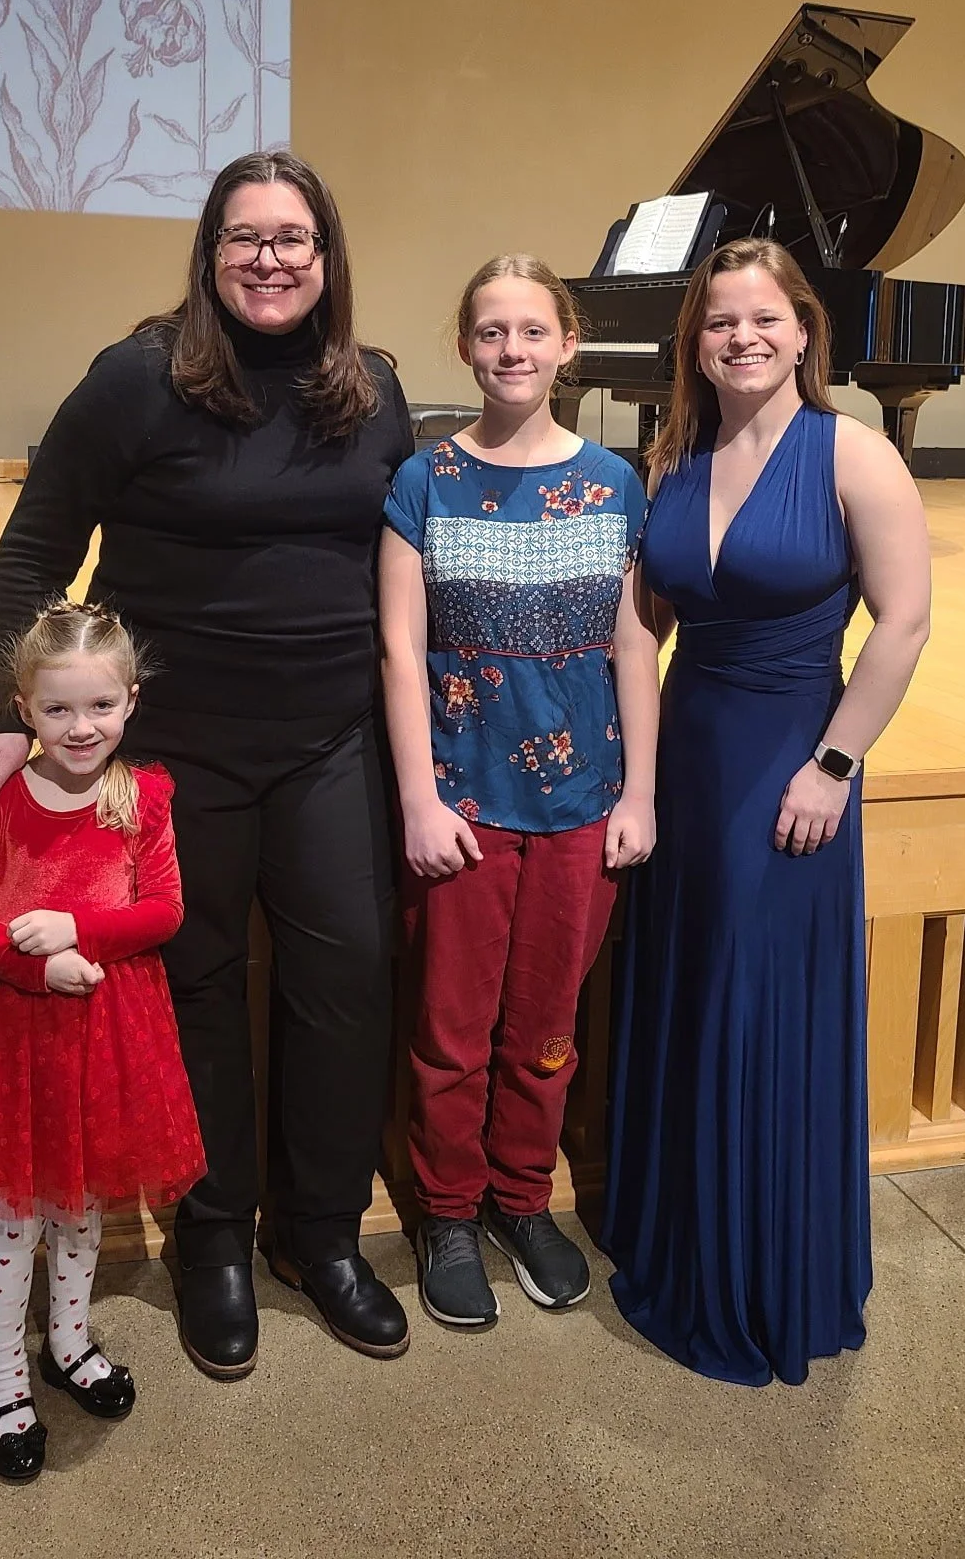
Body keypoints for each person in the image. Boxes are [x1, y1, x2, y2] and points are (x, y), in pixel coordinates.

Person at [0, 150, 414, 1377]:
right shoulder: (136, 380)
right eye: (246, 237)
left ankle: (320, 1236)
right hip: (175, 753)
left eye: (295, 239)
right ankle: (211, 1238)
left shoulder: (369, 388)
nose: (272, 258)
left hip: (332, 738)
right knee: (199, 984)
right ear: (210, 253)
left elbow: (407, 565)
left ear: (329, 259)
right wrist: (25, 707)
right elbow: (33, 552)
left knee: (347, 982)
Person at [602, 237, 932, 1386]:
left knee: (749, 997)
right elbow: (642, 625)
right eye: (716, 323)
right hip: (686, 757)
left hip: (791, 762)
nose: (739, 337)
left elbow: (902, 623)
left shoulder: (855, 453)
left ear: (803, 330)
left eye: (761, 318)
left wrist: (834, 763)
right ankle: (674, 1235)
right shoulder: (676, 456)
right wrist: (639, 781)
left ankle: (752, 1269)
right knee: (690, 985)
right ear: (694, 342)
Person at [379, 255, 658, 1330]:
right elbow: (402, 650)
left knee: (545, 1027)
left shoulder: (614, 483)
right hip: (464, 797)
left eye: (532, 331)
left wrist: (641, 791)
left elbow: (636, 646)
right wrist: (418, 796)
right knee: (451, 1030)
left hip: (584, 803)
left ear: (568, 344)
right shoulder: (425, 480)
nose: (512, 350)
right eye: (491, 331)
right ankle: (447, 1209)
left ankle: (518, 1197)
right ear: (466, 345)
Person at [0, 601, 204, 1483]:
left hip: (109, 1035)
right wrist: (38, 969)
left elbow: (165, 908)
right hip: (8, 1039)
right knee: (14, 1218)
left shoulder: (143, 795)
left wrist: (78, 929)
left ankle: (68, 1344)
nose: (82, 727)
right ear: (23, 708)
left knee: (81, 1211)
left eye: (100, 707)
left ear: (131, 701)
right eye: (59, 709)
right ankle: (4, 1383)